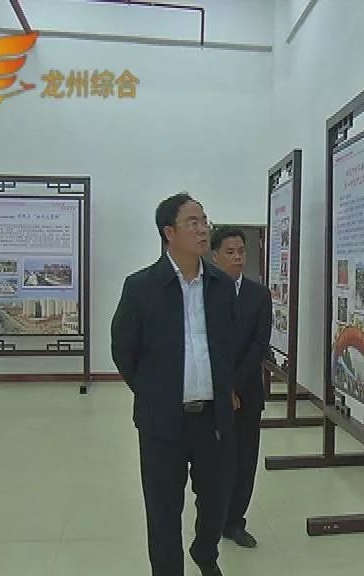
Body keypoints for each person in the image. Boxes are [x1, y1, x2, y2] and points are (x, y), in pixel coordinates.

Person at [111, 194, 238, 576]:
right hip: (162, 420)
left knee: (216, 501)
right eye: (192, 222)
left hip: (212, 418)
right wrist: (154, 392)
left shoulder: (220, 285)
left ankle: (204, 552)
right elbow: (123, 351)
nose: (203, 229)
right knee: (164, 509)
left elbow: (229, 344)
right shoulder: (141, 287)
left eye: (204, 221)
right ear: (169, 232)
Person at [211, 227, 272, 549]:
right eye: (230, 252)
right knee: (215, 461)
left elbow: (259, 345)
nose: (237, 257)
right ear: (215, 255)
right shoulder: (203, 292)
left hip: (247, 392)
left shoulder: (258, 295)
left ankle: (235, 522)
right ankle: (213, 519)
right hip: (211, 392)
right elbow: (205, 346)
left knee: (245, 460)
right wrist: (223, 388)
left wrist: (235, 385)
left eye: (241, 252)